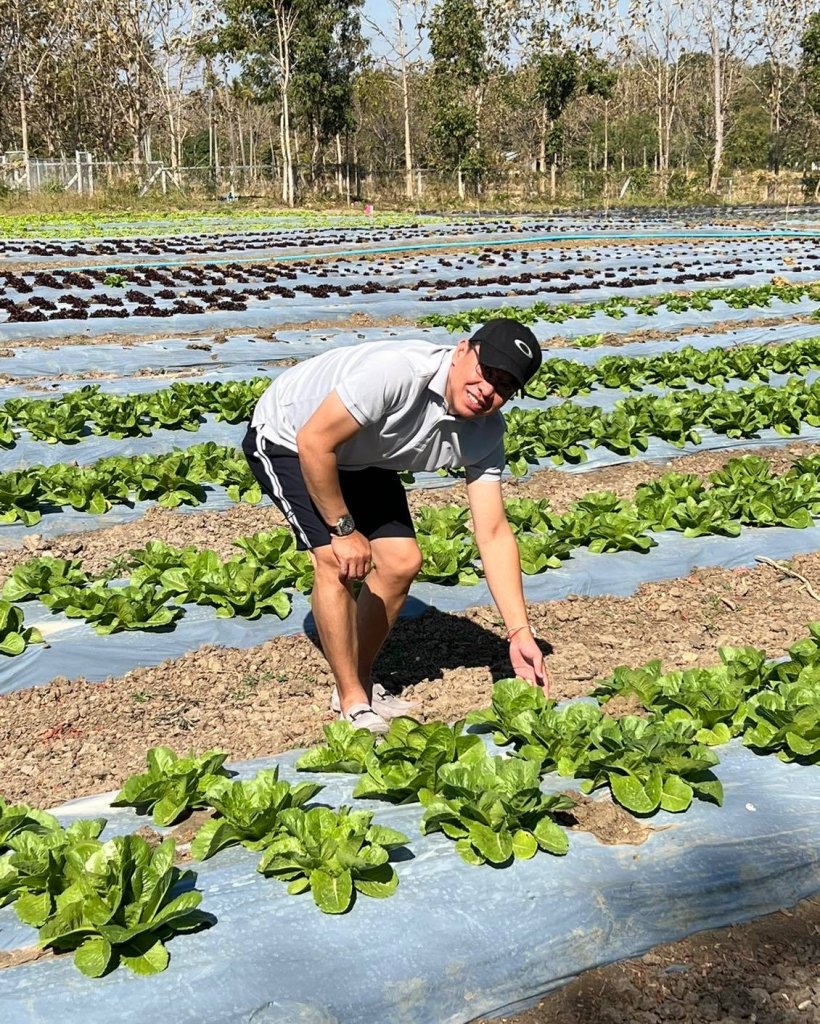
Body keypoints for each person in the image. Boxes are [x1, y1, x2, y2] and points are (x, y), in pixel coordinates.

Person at [243, 317, 550, 734]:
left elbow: (493, 532)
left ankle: (361, 682)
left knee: (401, 562)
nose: (487, 391)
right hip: (291, 436)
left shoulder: (486, 433)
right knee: (336, 559)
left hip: (365, 453)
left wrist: (518, 631)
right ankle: (353, 703)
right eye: (486, 372)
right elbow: (314, 442)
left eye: (504, 387)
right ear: (462, 351)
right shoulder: (399, 373)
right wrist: (343, 528)